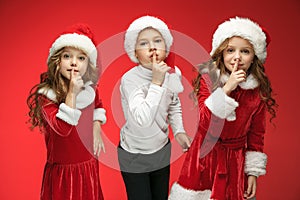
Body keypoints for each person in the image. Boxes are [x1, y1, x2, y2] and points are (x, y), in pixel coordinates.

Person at [169, 17, 277, 200]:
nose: (237, 57)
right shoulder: (208, 79)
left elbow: (256, 133)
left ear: (254, 57)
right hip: (203, 157)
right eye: (230, 50)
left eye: (245, 51)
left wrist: (252, 173)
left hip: (234, 161)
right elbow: (204, 121)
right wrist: (227, 88)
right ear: (221, 54)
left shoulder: (256, 91)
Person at [26, 23, 107, 200]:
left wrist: (96, 125)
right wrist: (72, 93)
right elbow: (62, 128)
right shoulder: (46, 95)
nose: (73, 62)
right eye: (67, 56)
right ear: (57, 61)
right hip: (63, 173)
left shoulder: (90, 89)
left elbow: (98, 106)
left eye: (81, 58)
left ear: (88, 64)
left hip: (88, 166)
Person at [117, 15, 191, 200]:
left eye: (158, 40)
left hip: (161, 150)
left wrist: (179, 131)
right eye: (143, 43)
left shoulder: (169, 74)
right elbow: (142, 118)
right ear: (134, 52)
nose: (152, 47)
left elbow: (173, 103)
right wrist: (156, 83)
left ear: (166, 46)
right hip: (134, 155)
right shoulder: (130, 80)